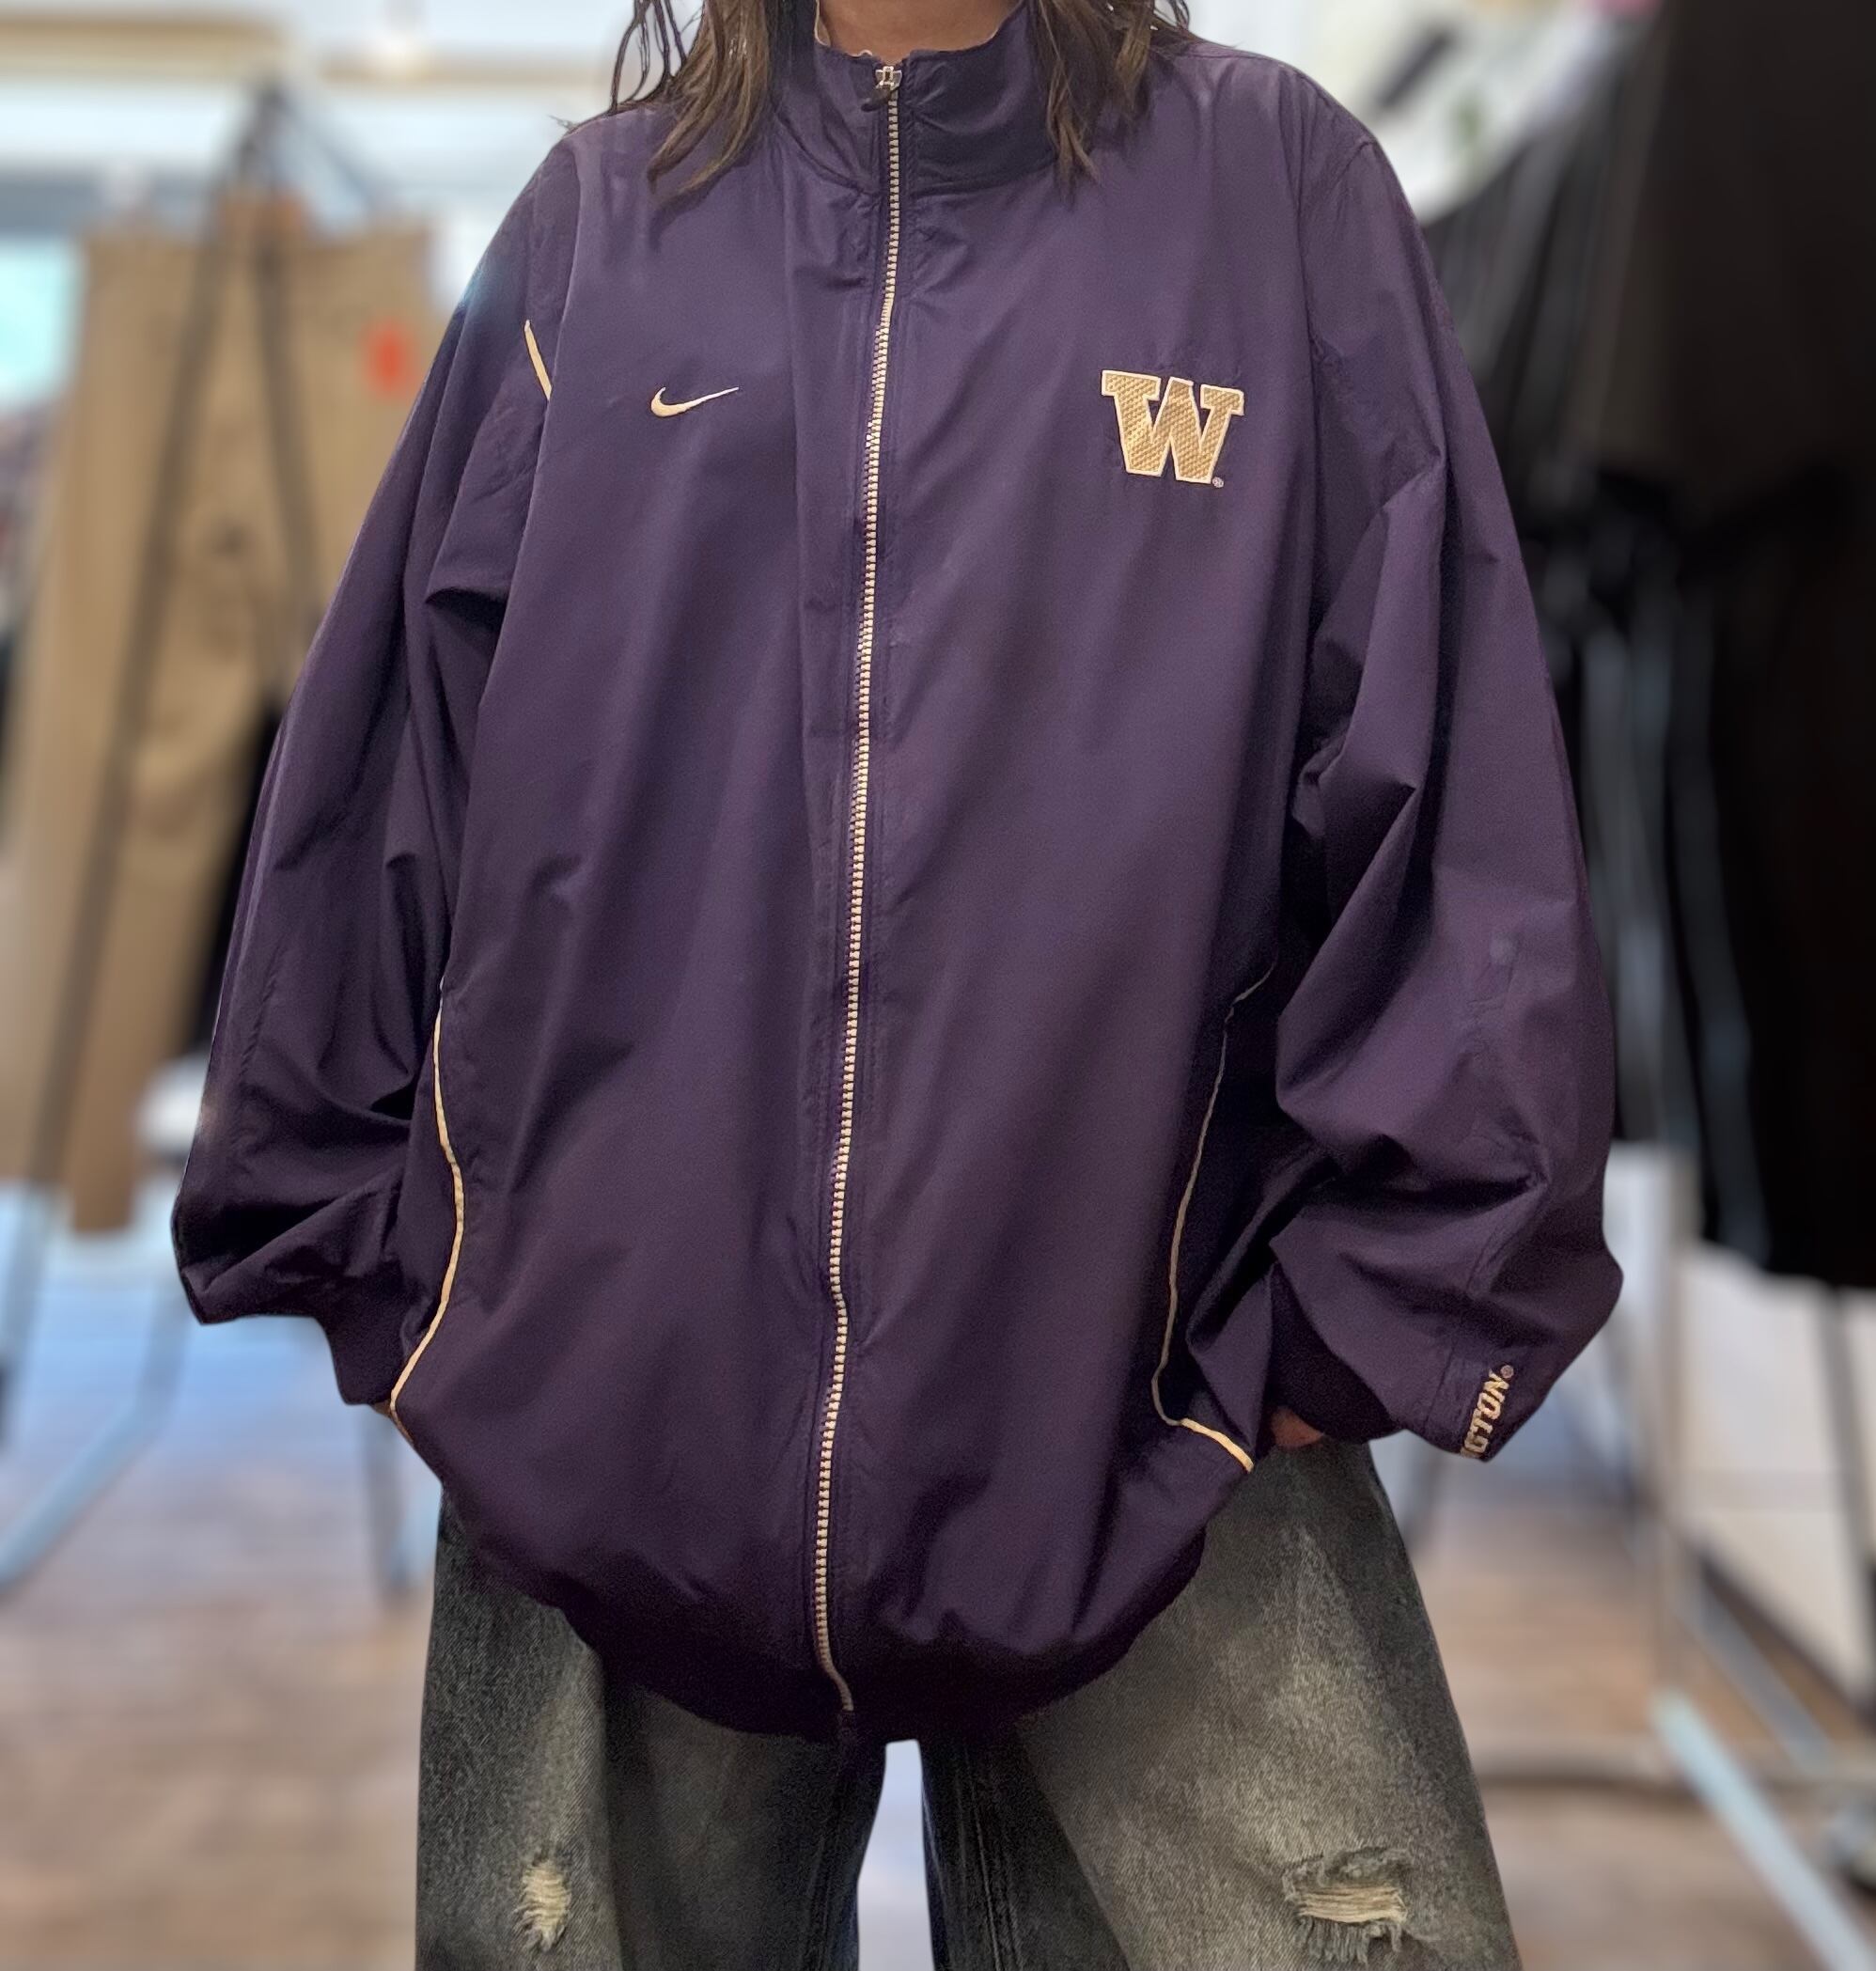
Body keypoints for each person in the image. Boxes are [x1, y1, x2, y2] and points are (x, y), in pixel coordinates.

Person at [172, 0, 1620, 1958]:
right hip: (612, 1406)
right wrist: (401, 1275)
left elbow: (1440, 765)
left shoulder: (1276, 193)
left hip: (1155, 1391)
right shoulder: (599, 227)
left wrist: (1390, 1298)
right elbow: (389, 759)